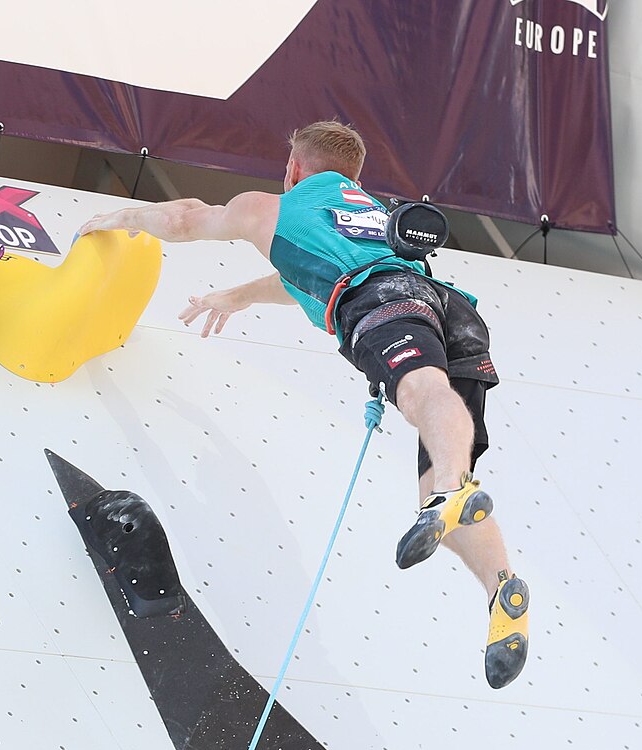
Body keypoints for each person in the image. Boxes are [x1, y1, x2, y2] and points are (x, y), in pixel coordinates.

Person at [78, 121, 529, 689]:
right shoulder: (371, 210)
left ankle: (453, 489)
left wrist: (119, 218)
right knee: (436, 469)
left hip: (381, 302)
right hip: (450, 308)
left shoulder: (267, 206)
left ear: (294, 167)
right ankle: (501, 589)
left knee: (418, 391)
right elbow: (301, 276)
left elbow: (187, 218)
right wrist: (237, 297)